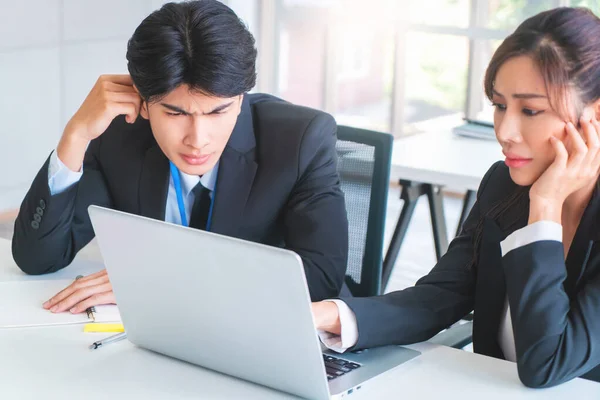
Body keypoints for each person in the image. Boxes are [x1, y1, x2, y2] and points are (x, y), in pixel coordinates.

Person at [313, 7, 600, 388]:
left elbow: (546, 363)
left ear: (593, 117)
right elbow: (441, 296)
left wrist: (544, 210)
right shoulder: (504, 184)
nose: (505, 130)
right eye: (499, 105)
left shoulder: (534, 195)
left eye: (530, 110)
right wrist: (323, 315)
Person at [12, 1, 348, 311]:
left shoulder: (302, 140)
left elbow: (319, 279)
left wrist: (163, 282)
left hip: (264, 330)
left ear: (241, 98)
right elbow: (37, 258)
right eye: (175, 114)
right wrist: (77, 135)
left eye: (218, 112)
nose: (197, 140)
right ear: (142, 103)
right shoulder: (121, 133)